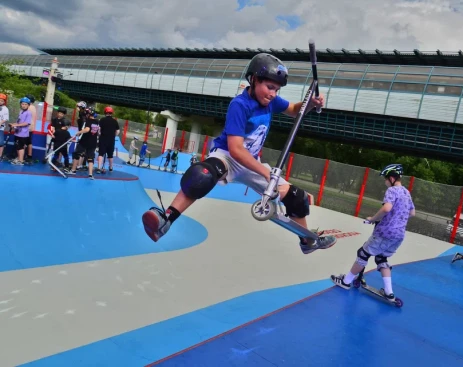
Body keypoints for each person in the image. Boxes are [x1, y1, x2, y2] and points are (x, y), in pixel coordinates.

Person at [141, 52, 337, 254]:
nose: (272, 94)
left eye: (276, 90)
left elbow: (295, 109)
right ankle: (166, 220)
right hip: (227, 156)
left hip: (251, 161)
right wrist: (265, 173)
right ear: (253, 80)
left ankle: (308, 241)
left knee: (296, 197)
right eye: (269, 87)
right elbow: (235, 149)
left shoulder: (271, 101)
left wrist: (310, 104)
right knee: (203, 175)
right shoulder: (240, 105)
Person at [331, 164, 415, 301]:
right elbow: (412, 212)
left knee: (363, 254)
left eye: (386, 179)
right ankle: (389, 292)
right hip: (399, 235)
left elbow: (387, 208)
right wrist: (398, 218)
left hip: (385, 232)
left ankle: (346, 281)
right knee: (381, 258)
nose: (385, 182)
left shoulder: (392, 191)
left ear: (392, 178)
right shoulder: (406, 192)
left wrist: (373, 219)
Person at [65, 109, 100, 179]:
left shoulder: (88, 121)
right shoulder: (97, 122)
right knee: (90, 157)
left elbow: (87, 129)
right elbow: (98, 132)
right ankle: (90, 174)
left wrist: (79, 132)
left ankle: (73, 170)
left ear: (88, 115)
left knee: (76, 154)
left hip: (85, 141)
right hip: (93, 142)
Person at [9, 97, 33, 165]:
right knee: (17, 146)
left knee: (21, 147)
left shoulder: (28, 113)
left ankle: (21, 160)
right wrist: (13, 124)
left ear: (28, 105)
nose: (24, 105)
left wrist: (17, 125)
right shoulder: (21, 112)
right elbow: (19, 122)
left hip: (23, 134)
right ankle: (19, 158)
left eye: (25, 104)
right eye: (22, 104)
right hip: (17, 133)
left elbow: (26, 123)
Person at [96, 106, 120, 173]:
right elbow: (118, 131)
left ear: (105, 112)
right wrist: (113, 135)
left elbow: (99, 129)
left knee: (101, 153)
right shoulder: (115, 121)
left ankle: (98, 168)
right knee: (110, 155)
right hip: (111, 140)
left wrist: (100, 134)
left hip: (103, 139)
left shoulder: (102, 120)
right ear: (111, 113)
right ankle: (111, 167)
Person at [0, 93, 9, 160]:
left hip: (0, 128)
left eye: (2, 100)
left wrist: (0, 123)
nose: (0, 101)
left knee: (0, 142)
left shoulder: (5, 109)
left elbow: (5, 118)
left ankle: (0, 156)